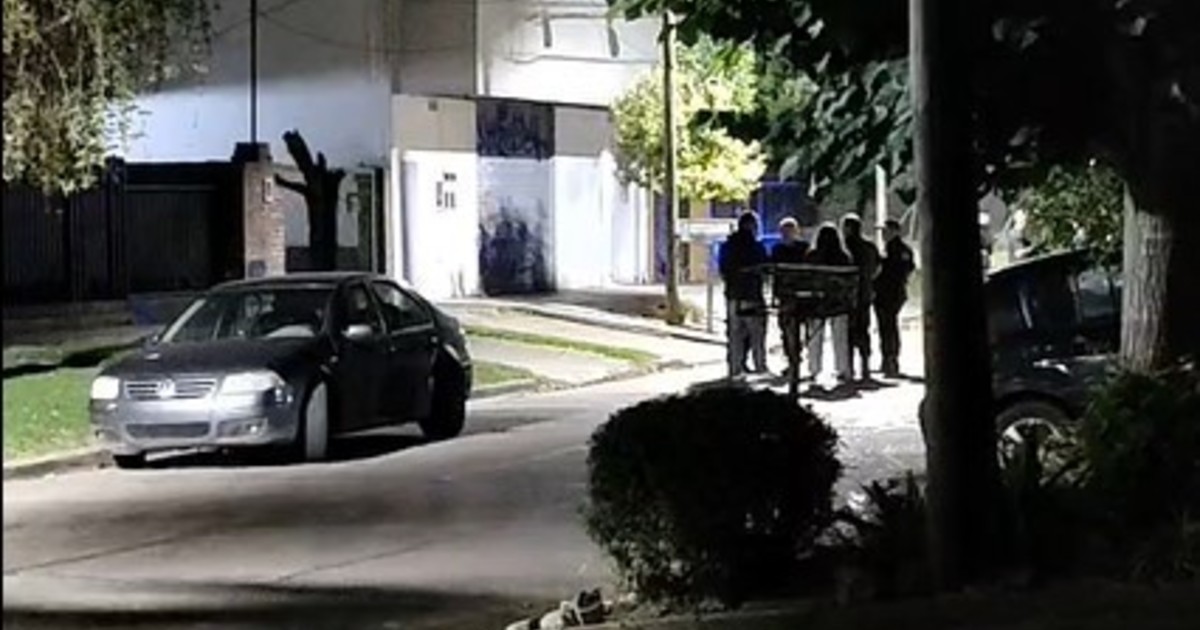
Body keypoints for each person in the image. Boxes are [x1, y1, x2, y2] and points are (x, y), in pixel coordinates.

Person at [718, 211, 769, 377]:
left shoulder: (727, 246)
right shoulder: (756, 247)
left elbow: (723, 270)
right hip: (752, 295)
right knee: (756, 335)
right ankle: (760, 367)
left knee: (735, 335)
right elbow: (765, 269)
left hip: (733, 295)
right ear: (753, 226)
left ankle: (735, 368)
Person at [805, 223, 853, 383]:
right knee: (840, 337)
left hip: (817, 301)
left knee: (815, 337)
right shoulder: (843, 257)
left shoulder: (812, 255)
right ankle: (842, 368)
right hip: (838, 301)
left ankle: (814, 369)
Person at [873, 219, 916, 377]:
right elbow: (910, 267)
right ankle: (889, 359)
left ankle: (890, 358)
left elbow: (889, 271)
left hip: (888, 293)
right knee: (889, 326)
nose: (883, 234)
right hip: (896, 292)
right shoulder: (904, 250)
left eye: (886, 231)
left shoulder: (893, 249)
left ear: (895, 231)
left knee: (887, 327)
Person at [841, 214, 880, 381]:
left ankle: (849, 368)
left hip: (847, 295)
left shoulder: (844, 248)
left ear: (848, 228)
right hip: (865, 293)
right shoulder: (870, 247)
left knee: (849, 332)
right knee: (863, 330)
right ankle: (865, 367)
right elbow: (878, 267)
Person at [771, 217, 810, 378]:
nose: (786, 234)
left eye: (789, 230)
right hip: (786, 294)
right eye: (784, 231)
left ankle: (797, 359)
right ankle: (793, 360)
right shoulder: (779, 249)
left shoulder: (802, 248)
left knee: (797, 329)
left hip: (799, 294)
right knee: (787, 329)